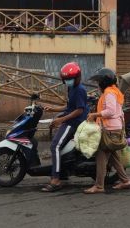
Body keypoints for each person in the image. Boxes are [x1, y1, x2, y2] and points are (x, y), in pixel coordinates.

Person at [40, 62, 89, 192]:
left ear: (78, 77)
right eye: (66, 79)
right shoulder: (71, 88)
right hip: (70, 119)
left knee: (55, 145)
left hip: (75, 122)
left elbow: (79, 110)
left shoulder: (79, 90)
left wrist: (61, 119)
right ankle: (62, 171)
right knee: (58, 145)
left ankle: (56, 180)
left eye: (70, 79)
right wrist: (53, 109)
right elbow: (69, 107)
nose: (68, 81)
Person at [84, 68, 130, 194]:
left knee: (101, 154)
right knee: (113, 157)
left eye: (99, 81)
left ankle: (99, 186)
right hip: (114, 129)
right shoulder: (112, 91)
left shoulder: (109, 93)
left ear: (104, 82)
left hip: (110, 130)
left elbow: (110, 111)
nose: (97, 84)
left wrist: (95, 115)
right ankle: (125, 180)